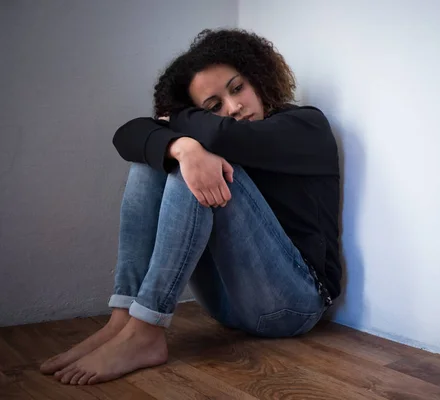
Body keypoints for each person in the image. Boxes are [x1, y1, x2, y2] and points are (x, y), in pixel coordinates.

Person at [39, 28, 342, 385]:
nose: (233, 108)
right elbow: (127, 136)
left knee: (197, 167)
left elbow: (222, 135)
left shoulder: (305, 125)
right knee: (161, 159)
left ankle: (146, 330)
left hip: (295, 305)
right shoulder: (213, 132)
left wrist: (183, 130)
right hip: (228, 306)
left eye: (237, 88)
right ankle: (123, 319)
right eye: (213, 107)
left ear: (257, 77)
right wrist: (183, 146)